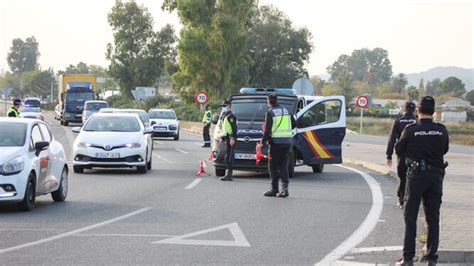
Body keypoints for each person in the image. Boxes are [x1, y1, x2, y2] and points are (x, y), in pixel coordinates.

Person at [395, 96, 449, 265]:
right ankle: (431, 258)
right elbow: (445, 149)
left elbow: (399, 149)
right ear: (433, 112)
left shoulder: (411, 129)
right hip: (435, 177)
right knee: (433, 217)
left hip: (416, 177)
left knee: (410, 217)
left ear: (418, 111)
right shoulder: (441, 130)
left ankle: (408, 258)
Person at [257, 93, 296, 198]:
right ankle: (285, 189)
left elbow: (268, 130)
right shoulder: (286, 111)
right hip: (287, 142)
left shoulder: (270, 112)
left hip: (276, 143)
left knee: (273, 167)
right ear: (277, 101)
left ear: (268, 102)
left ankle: (274, 189)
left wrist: (262, 142)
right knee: (283, 166)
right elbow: (294, 124)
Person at [386, 101, 417, 208]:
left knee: (403, 178)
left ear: (404, 109)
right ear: (414, 110)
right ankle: (413, 199)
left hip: (402, 154)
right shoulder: (417, 121)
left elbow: (391, 139)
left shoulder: (398, 121)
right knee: (415, 177)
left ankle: (401, 200)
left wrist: (389, 155)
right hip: (415, 154)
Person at [219, 99, 237, 181]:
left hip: (230, 138)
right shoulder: (225, 115)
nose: (223, 108)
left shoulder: (231, 116)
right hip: (227, 138)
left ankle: (229, 174)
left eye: (224, 106)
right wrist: (222, 138)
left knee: (229, 157)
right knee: (227, 156)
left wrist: (233, 138)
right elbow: (225, 129)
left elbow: (234, 128)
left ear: (229, 106)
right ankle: (228, 174)